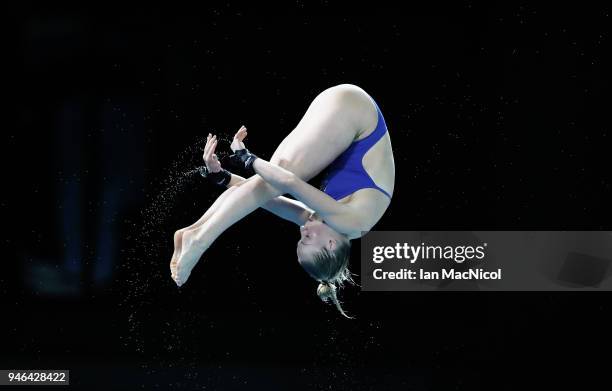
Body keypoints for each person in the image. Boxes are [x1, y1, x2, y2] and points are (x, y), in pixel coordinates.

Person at [170, 84, 395, 317]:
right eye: (307, 239)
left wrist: (221, 177)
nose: (303, 230)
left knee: (269, 182)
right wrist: (245, 157)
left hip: (345, 109)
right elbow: (287, 182)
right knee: (277, 177)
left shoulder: (323, 222)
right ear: (331, 245)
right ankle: (199, 240)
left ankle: (194, 231)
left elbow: (265, 200)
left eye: (301, 238)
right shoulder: (352, 222)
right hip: (356, 112)